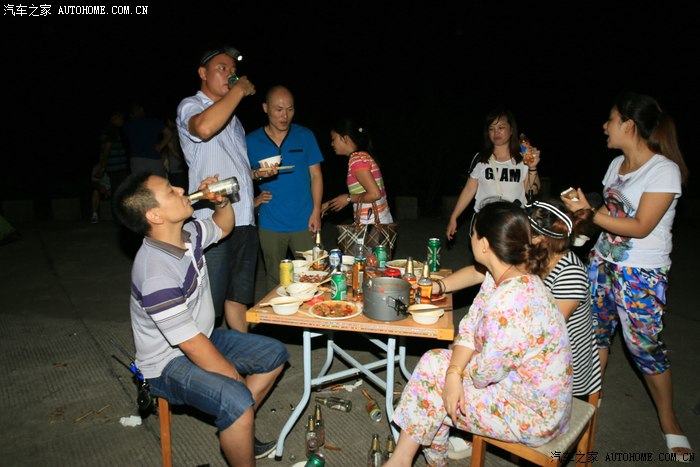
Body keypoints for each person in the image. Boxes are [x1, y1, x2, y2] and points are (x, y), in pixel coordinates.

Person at [113, 172, 289, 465]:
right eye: (170, 191)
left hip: (201, 337)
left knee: (274, 354)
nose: (181, 189)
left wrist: (221, 202)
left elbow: (223, 226)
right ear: (155, 215)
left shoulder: (188, 233)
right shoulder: (156, 273)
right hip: (166, 363)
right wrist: (234, 380)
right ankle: (238, 419)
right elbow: (191, 345)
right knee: (236, 397)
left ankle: (237, 425)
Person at [386, 201, 572, 467]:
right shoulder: (502, 277)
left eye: (472, 234)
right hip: (517, 388)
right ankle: (413, 461)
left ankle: (407, 461)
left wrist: (455, 374)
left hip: (534, 415)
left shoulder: (510, 300)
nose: (469, 239)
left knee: (431, 388)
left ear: (484, 244)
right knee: (435, 368)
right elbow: (470, 327)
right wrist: (453, 373)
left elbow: (485, 374)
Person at [562, 92, 692, 459]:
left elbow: (641, 225)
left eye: (611, 119)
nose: (605, 126)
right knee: (594, 334)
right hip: (602, 262)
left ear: (629, 125)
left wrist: (591, 213)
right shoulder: (616, 165)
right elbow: (608, 215)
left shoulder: (663, 170)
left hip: (641, 272)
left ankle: (669, 419)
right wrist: (580, 219)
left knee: (643, 347)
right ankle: (591, 396)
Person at [437, 198, 603, 460]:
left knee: (458, 359)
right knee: (459, 354)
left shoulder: (570, 273)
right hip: (520, 357)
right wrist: (438, 286)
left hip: (560, 372)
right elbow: (480, 272)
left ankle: (473, 422)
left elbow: (527, 336)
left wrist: (465, 352)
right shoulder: (522, 261)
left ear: (538, 239)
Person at [176, 45, 278, 332]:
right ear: (202, 73)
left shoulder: (234, 121)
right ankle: (200, 356)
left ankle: (243, 351)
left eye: (233, 71)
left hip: (244, 219)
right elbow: (204, 129)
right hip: (212, 223)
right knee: (207, 303)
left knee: (238, 297)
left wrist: (255, 174)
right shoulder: (191, 106)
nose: (230, 74)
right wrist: (239, 89)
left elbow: (233, 165)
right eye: (222, 68)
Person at [246, 85, 324, 290]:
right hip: (271, 223)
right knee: (275, 279)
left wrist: (316, 211)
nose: (285, 116)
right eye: (279, 109)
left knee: (314, 275)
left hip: (305, 221)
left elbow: (316, 176)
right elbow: (241, 175)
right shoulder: (251, 141)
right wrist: (253, 196)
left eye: (290, 109)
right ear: (265, 108)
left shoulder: (305, 135)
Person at [446, 108, 540, 241]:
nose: (496, 132)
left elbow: (532, 191)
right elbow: (469, 190)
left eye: (501, 127)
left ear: (511, 130)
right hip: (484, 222)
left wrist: (532, 167)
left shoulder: (522, 159)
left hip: (512, 223)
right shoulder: (481, 159)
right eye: (491, 129)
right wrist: (454, 217)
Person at [322, 117, 393, 224]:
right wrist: (328, 204)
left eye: (333, 139)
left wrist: (348, 199)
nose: (332, 144)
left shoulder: (357, 160)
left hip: (371, 222)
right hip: (380, 219)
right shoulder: (363, 157)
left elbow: (374, 194)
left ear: (345, 138)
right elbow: (365, 193)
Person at [91, 109, 128, 223]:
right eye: (120, 118)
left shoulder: (111, 131)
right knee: (119, 193)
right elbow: (106, 149)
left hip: (115, 167)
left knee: (118, 192)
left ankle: (119, 217)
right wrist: (102, 168)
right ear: (114, 118)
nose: (122, 120)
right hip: (116, 168)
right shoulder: (111, 130)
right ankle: (119, 218)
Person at [123, 102, 168, 178]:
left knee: (140, 184)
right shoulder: (153, 121)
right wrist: (161, 146)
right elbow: (169, 133)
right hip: (153, 158)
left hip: (136, 159)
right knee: (159, 183)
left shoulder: (128, 124)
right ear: (142, 110)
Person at [161, 115, 189, 190]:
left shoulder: (173, 133)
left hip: (176, 168)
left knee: (177, 189)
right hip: (180, 167)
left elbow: (172, 149)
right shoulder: (182, 132)